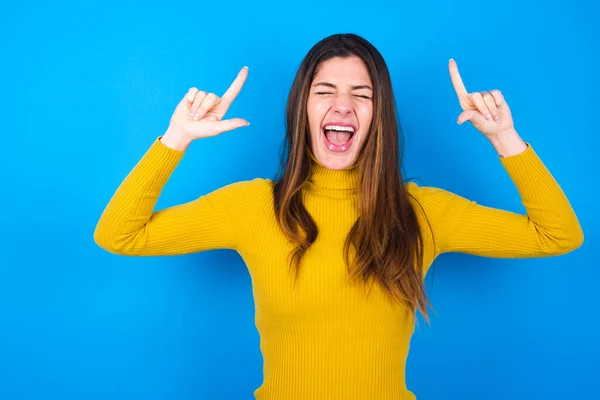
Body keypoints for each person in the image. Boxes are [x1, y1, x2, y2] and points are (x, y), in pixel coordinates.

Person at [94, 33, 584, 399]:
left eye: (362, 94)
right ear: (302, 108)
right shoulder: (251, 206)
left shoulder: (420, 213)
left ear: (378, 115)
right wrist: (175, 139)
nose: (343, 105)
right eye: (325, 90)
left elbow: (558, 234)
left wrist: (505, 140)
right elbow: (119, 234)